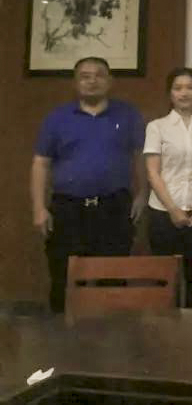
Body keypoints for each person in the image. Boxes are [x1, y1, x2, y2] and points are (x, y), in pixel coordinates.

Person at [30, 56, 147, 313]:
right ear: (75, 82)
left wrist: (142, 194)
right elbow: (41, 163)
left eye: (99, 75)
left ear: (110, 81)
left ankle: (111, 335)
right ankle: (62, 334)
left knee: (113, 278)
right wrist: (39, 208)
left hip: (114, 207)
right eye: (85, 76)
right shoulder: (57, 118)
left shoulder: (128, 115)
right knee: (64, 277)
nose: (92, 81)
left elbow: (140, 157)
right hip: (68, 209)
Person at [144, 67, 192, 308]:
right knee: (165, 282)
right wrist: (173, 209)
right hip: (163, 213)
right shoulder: (157, 127)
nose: (184, 93)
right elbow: (153, 172)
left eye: (190, 87)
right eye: (178, 88)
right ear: (170, 93)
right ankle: (165, 331)